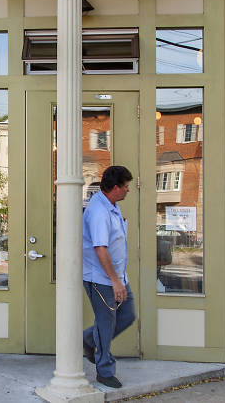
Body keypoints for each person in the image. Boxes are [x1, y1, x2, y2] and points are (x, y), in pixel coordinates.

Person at [82, 165, 135, 389]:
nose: (128, 190)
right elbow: (100, 248)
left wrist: (119, 279)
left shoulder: (111, 205)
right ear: (115, 188)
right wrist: (114, 281)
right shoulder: (99, 212)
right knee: (106, 323)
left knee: (128, 314)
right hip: (102, 279)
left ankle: (88, 340)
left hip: (118, 277)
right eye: (126, 187)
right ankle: (104, 371)